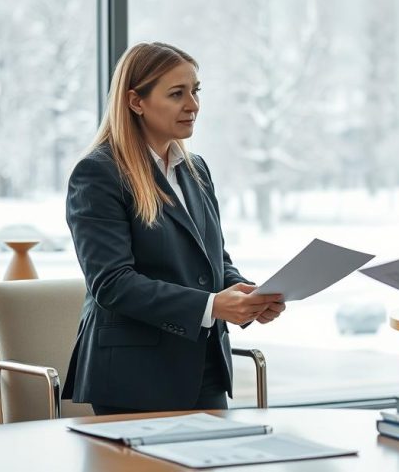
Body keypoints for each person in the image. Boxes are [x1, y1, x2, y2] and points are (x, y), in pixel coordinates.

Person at [63, 42, 286, 414]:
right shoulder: (99, 173)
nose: (193, 105)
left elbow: (213, 259)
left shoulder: (195, 169)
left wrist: (245, 295)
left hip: (206, 365)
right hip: (135, 376)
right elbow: (112, 283)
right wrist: (213, 305)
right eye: (177, 94)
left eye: (195, 91)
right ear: (136, 101)